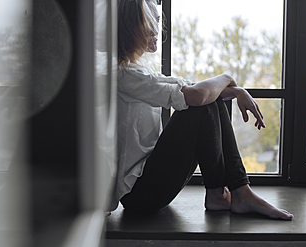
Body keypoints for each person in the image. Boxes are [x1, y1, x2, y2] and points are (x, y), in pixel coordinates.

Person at [111, 0, 293, 220]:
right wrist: (228, 79)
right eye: (151, 24)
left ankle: (232, 192)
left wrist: (237, 91)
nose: (157, 31)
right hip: (140, 195)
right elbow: (197, 96)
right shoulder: (123, 75)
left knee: (210, 99)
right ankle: (231, 193)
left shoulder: (134, 72)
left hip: (150, 184)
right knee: (200, 104)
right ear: (132, 28)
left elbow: (200, 91)